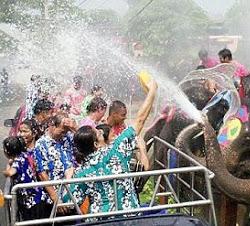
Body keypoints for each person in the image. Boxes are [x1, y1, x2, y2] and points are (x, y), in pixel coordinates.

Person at [67, 79, 157, 218]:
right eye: (98, 133)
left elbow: (68, 203)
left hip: (101, 220)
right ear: (96, 144)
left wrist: (69, 178)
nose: (101, 131)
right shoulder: (116, 151)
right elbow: (140, 120)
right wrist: (152, 91)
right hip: (129, 216)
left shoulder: (81, 172)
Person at [2, 136, 52, 222]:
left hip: (31, 203)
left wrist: (5, 170)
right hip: (39, 197)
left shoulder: (17, 162)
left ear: (7, 151)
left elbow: (10, 173)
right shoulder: (24, 155)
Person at [34, 114, 76, 205]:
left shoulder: (67, 137)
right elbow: (42, 173)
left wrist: (74, 127)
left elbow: (86, 140)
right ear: (52, 126)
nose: (63, 134)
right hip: (55, 197)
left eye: (66, 131)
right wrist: (55, 197)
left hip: (72, 193)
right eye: (61, 131)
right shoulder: (41, 144)